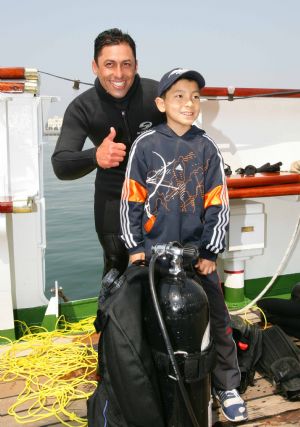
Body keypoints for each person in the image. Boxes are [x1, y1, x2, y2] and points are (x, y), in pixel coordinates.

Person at [120, 68, 248, 423]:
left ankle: (226, 385)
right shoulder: (145, 146)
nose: (188, 103)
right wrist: (134, 247)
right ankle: (152, 384)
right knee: (152, 323)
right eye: (178, 96)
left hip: (196, 258)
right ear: (161, 103)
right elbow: (131, 199)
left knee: (218, 321)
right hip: (153, 258)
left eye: (194, 96)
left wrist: (210, 252)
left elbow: (217, 202)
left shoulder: (206, 147)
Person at [51, 28, 164, 277]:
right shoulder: (83, 107)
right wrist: (95, 156)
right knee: (117, 272)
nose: (119, 74)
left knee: (167, 275)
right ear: (95, 66)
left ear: (136, 65)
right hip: (113, 203)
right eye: (109, 64)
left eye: (126, 64)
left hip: (161, 201)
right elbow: (60, 164)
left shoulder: (157, 96)